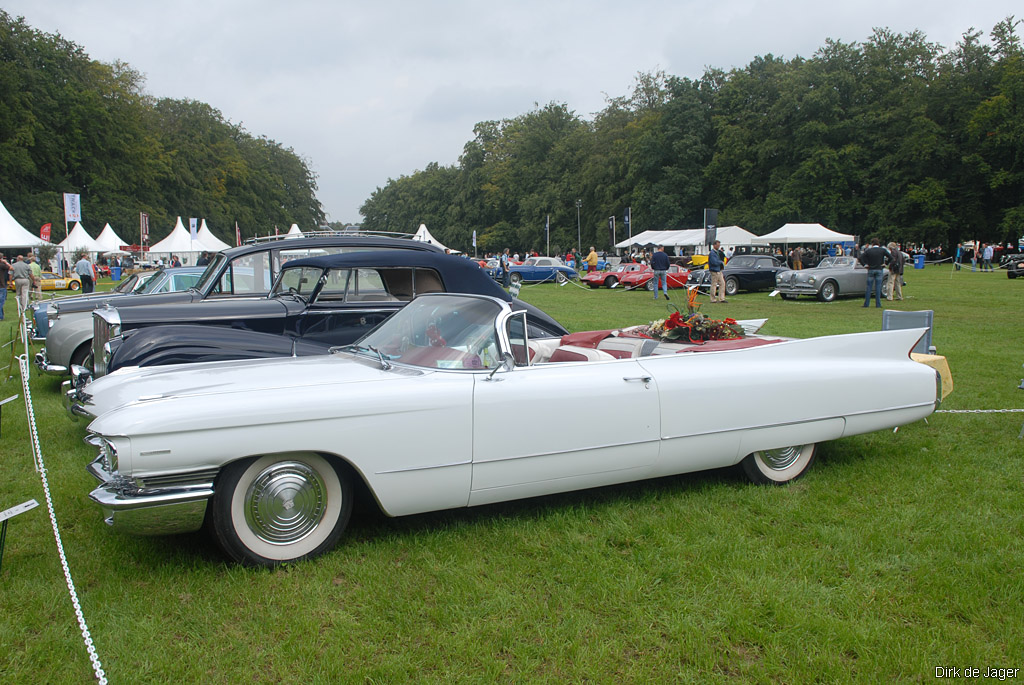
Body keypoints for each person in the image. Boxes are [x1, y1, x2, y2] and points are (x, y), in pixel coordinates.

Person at [858, 238, 889, 308]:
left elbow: (860, 258)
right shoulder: (882, 250)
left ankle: (866, 304)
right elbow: (891, 257)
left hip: (871, 269)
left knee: (869, 287)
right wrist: (886, 264)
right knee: (878, 287)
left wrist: (865, 265)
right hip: (879, 269)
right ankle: (878, 304)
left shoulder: (869, 251)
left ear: (872, 244)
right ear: (879, 244)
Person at [0, 252, 10, 320]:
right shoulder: (2, 265)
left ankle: (2, 315)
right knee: (1, 302)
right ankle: (1, 316)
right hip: (1, 285)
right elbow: (11, 268)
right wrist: (5, 262)